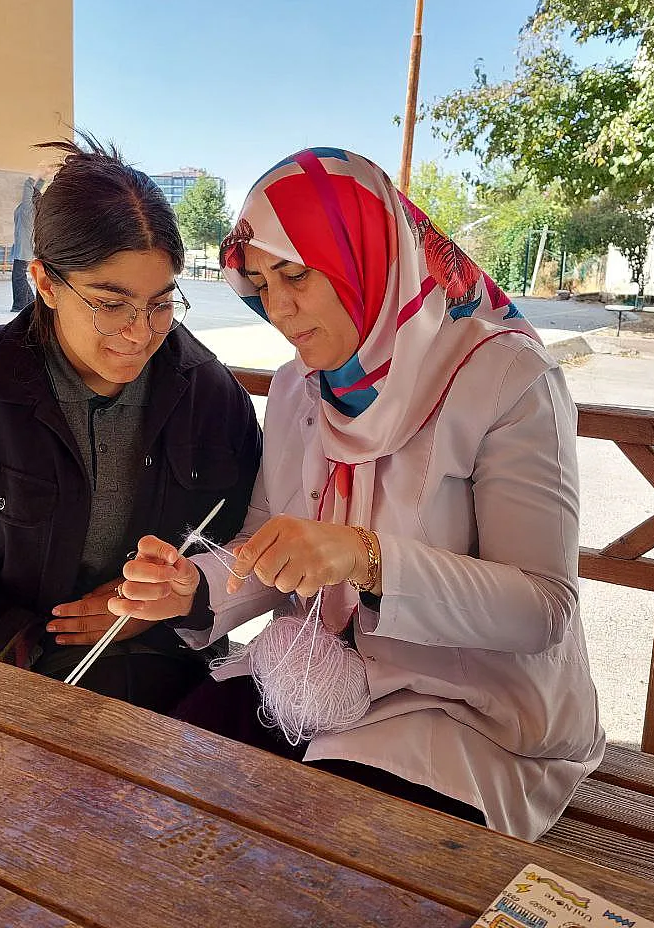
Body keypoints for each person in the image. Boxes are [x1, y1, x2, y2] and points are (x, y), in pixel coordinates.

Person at [114, 147, 605, 840]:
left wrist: (366, 558)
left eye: (295, 276)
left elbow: (542, 611)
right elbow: (267, 544)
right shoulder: (298, 385)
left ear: (365, 258)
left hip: (460, 711)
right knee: (162, 790)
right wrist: (191, 588)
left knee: (322, 854)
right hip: (316, 678)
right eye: (259, 283)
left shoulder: (505, 378)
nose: (276, 310)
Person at [0, 135, 261, 715]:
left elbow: (240, 540)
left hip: (154, 656)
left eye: (161, 303)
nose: (140, 333)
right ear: (45, 282)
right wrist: (17, 648)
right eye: (111, 304)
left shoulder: (209, 394)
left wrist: (171, 599)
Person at [10, 176, 38, 312]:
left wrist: (34, 176)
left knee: (18, 275)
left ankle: (21, 304)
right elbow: (35, 191)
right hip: (22, 248)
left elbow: (28, 187)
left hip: (25, 249)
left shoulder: (29, 209)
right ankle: (30, 301)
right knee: (20, 275)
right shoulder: (27, 208)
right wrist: (42, 179)